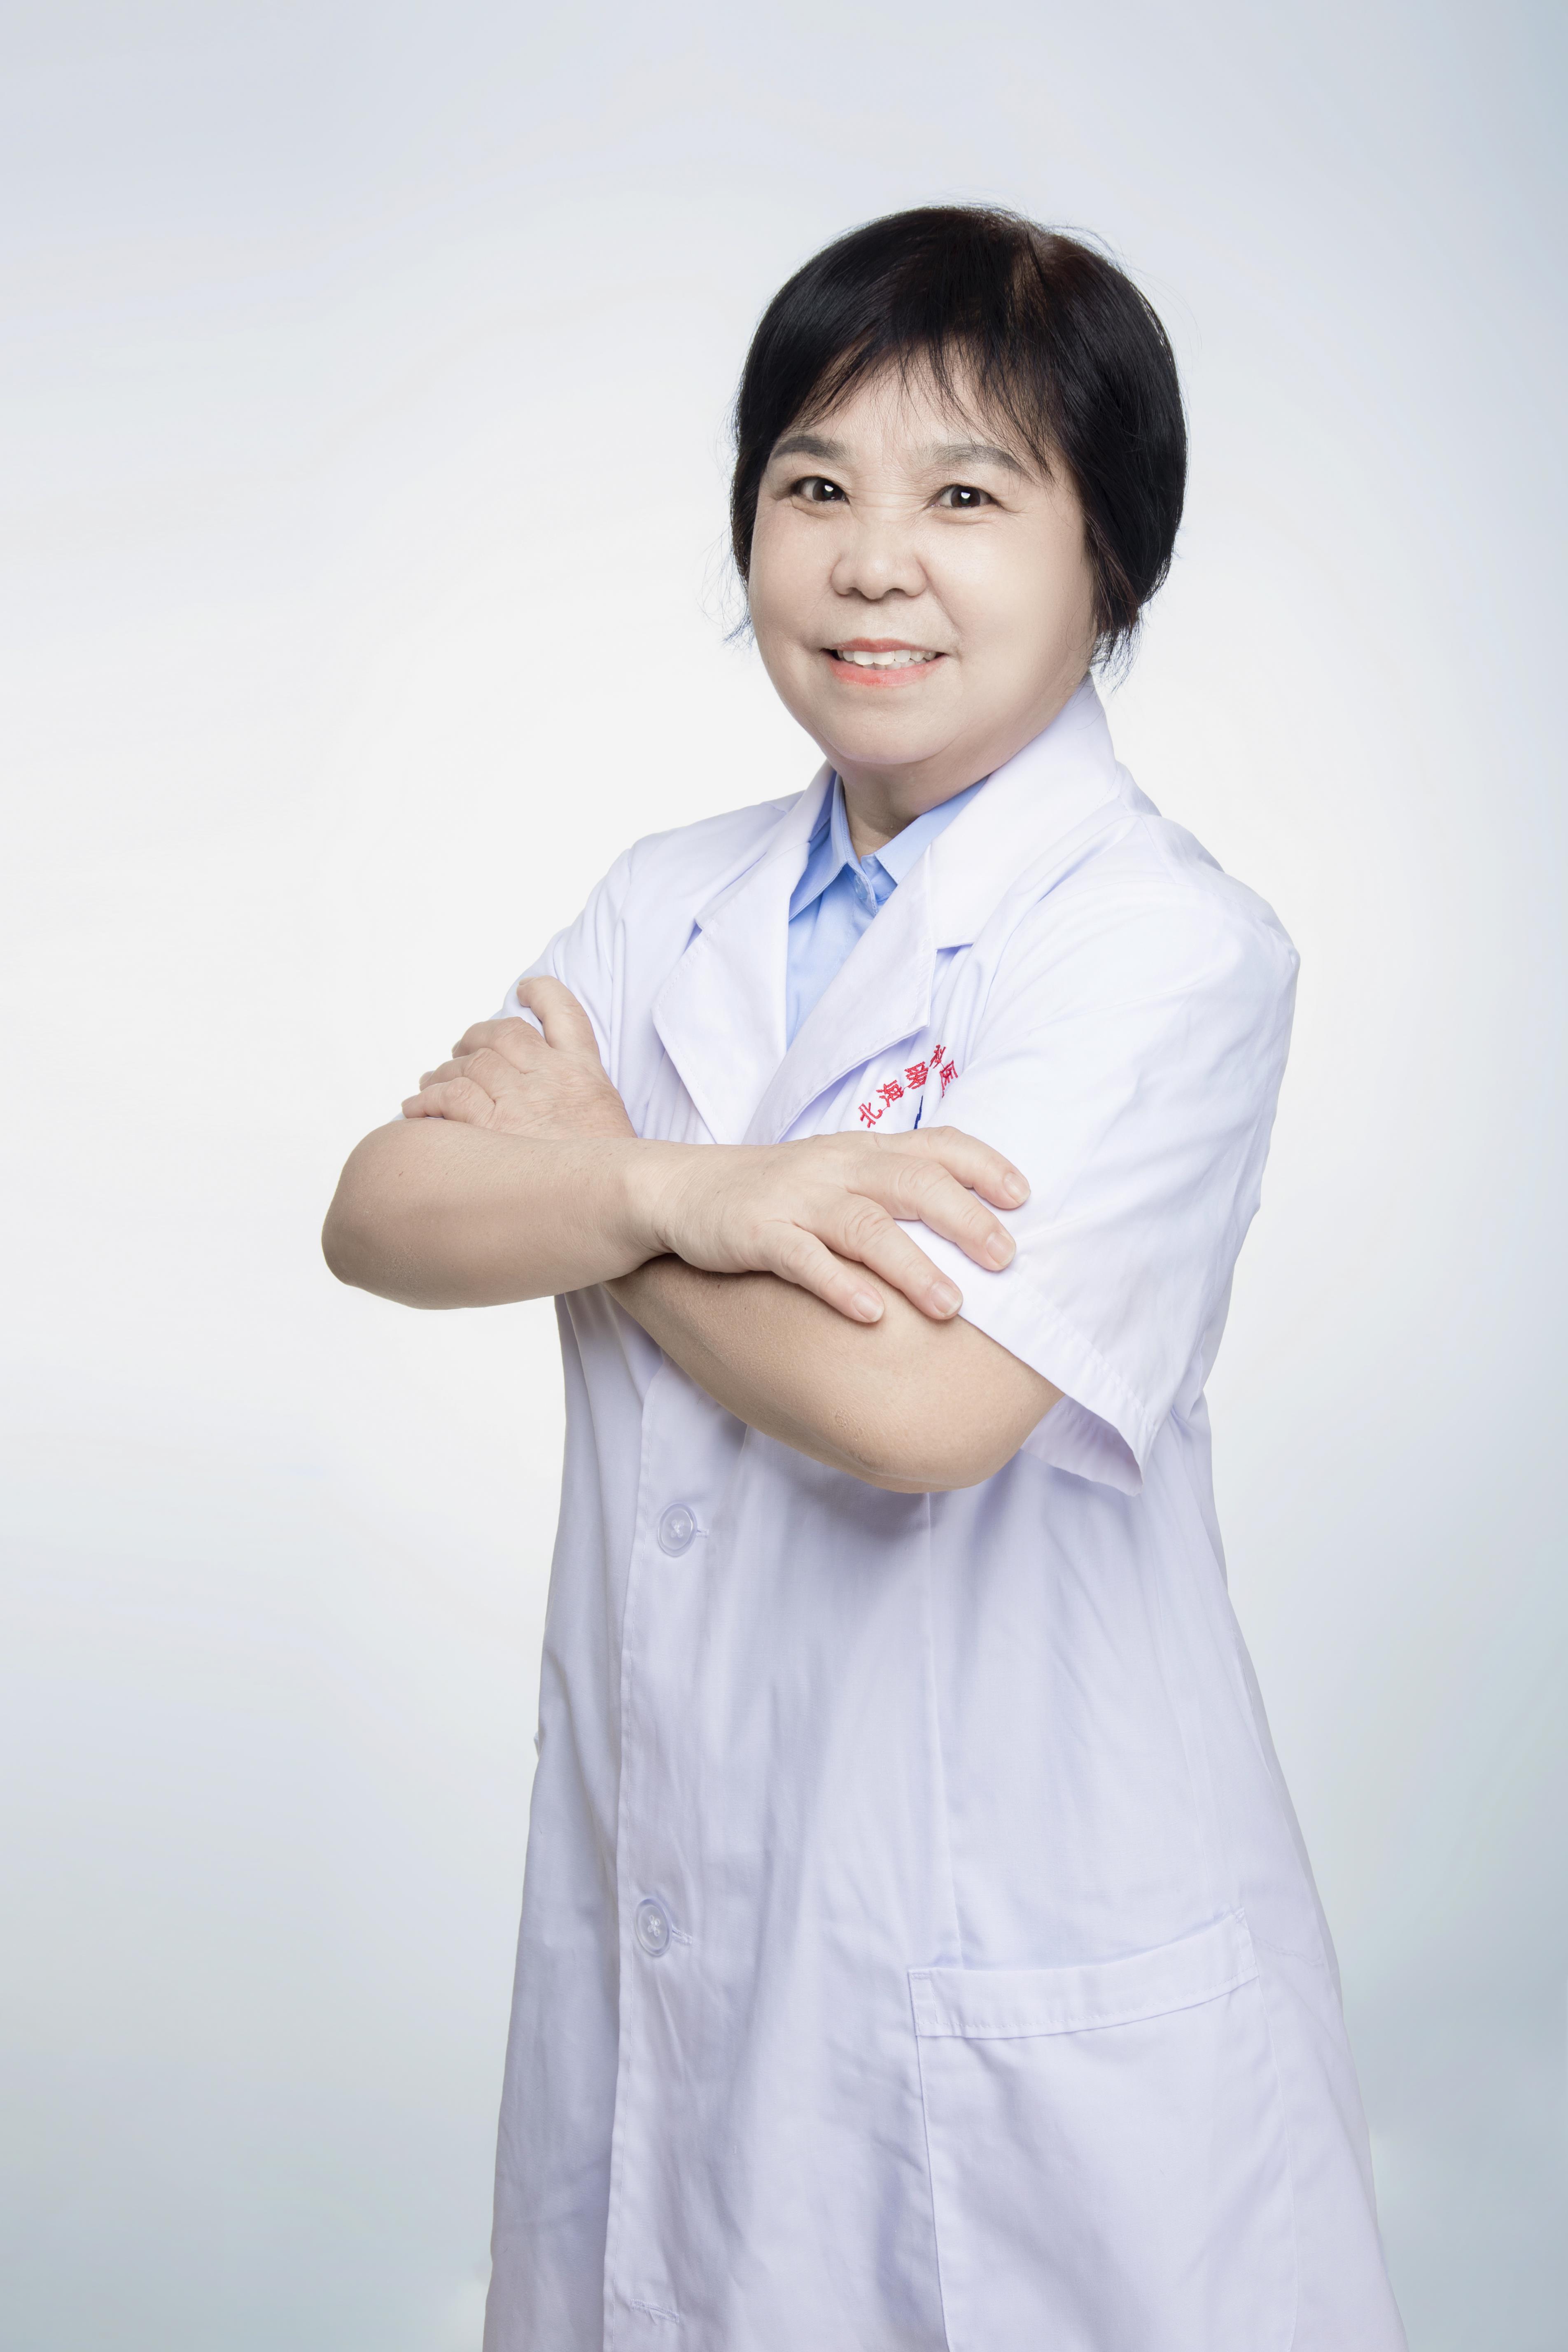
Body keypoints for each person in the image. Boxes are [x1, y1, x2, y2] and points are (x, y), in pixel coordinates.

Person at [323, 206, 1406, 2352]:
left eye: (967, 497)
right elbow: (387, 1213)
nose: (871, 560)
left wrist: (598, 1187)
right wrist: (699, 1192)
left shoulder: (1159, 947)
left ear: (1113, 558)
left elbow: (920, 1406)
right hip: (685, 1936)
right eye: (813, 484)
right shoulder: (672, 897)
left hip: (1018, 1960)